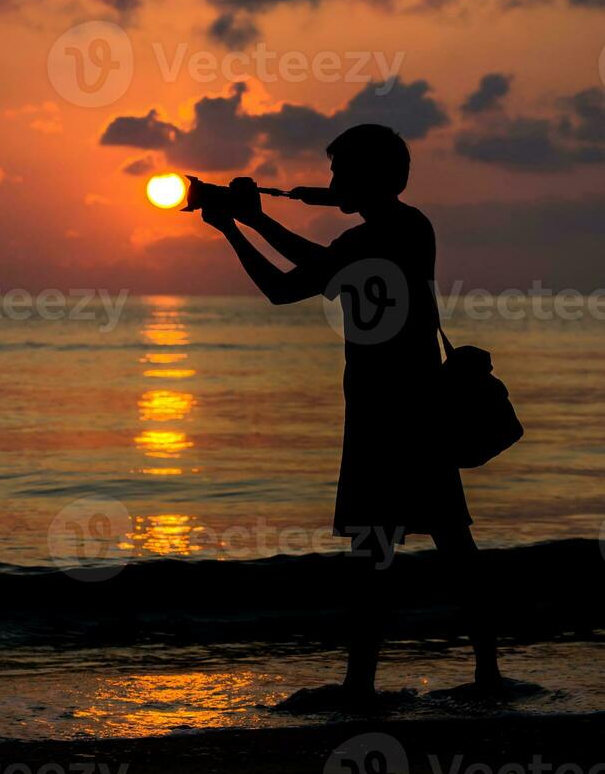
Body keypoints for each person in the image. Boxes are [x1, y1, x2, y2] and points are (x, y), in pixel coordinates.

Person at [200, 123, 502, 702]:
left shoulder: (398, 230)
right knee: (409, 553)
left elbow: (318, 269)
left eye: (341, 172)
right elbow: (285, 288)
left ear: (369, 177)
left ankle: (409, 680)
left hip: (401, 418)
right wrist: (235, 227)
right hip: (384, 417)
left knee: (411, 555)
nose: (332, 182)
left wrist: (248, 219)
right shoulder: (395, 231)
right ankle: (405, 678)